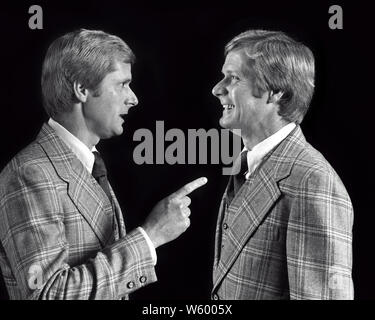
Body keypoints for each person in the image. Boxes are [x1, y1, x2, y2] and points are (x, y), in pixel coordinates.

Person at [0, 29, 207, 300]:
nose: (133, 98)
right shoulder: (30, 173)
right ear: (82, 89)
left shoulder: (88, 163)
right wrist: (150, 236)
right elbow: (48, 295)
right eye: (122, 84)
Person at [211, 29, 353, 300]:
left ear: (276, 91)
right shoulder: (250, 165)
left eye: (234, 78)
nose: (217, 89)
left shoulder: (312, 180)